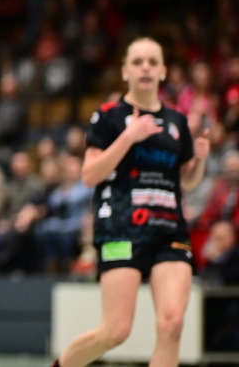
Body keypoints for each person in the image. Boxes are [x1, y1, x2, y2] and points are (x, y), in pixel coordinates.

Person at [51, 37, 210, 367]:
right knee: (115, 331)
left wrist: (200, 162)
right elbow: (90, 175)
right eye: (138, 61)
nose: (146, 67)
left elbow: (184, 182)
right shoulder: (108, 117)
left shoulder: (177, 121)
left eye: (153, 61)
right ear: (125, 71)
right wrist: (129, 137)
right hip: (121, 227)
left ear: (164, 71)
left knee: (172, 324)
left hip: (169, 230)